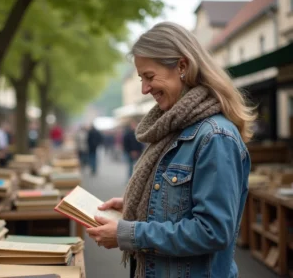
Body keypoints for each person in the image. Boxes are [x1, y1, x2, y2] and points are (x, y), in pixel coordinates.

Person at [86, 22, 255, 278]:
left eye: (149, 77)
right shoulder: (175, 127)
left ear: (182, 66)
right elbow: (181, 204)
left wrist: (129, 234)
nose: (144, 89)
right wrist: (135, 206)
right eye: (141, 79)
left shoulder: (215, 136)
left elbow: (213, 231)